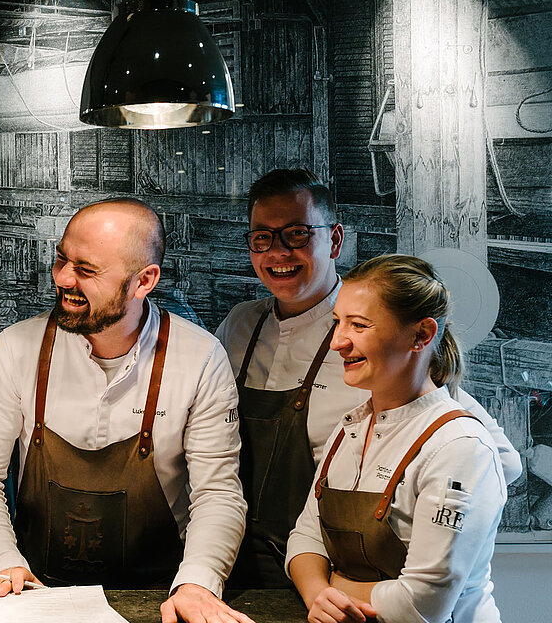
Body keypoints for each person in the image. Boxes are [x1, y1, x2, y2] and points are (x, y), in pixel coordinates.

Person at [0, 200, 260, 623]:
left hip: (161, 606)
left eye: (86, 269)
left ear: (144, 281)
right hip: (35, 598)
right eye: (61, 259)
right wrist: (3, 563)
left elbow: (217, 493)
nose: (62, 278)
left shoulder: (199, 357)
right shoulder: (17, 348)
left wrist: (198, 581)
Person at [217, 169, 520, 588]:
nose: (278, 252)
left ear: (335, 240)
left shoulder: (378, 338)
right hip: (241, 565)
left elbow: (500, 460)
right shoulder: (240, 326)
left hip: (331, 577)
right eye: (262, 238)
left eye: (297, 234)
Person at [285, 254, 534, 623]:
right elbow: (304, 538)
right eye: (338, 323)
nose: (338, 341)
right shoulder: (350, 428)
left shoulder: (460, 445)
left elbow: (421, 609)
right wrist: (317, 590)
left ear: (422, 335)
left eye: (358, 325)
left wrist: (333, 586)